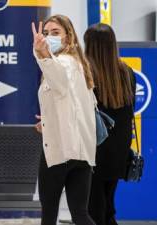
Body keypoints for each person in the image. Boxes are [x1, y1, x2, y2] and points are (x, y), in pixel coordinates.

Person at [32, 15, 96, 225]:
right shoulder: (79, 65)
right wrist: (48, 121)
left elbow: (58, 78)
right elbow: (71, 106)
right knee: (80, 213)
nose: (50, 37)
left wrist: (42, 54)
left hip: (60, 152)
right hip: (81, 152)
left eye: (56, 33)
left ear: (69, 38)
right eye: (47, 33)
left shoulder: (65, 63)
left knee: (49, 214)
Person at [84, 23, 136, 225]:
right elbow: (130, 108)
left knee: (93, 207)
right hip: (119, 148)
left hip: (93, 148)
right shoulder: (126, 72)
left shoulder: (86, 73)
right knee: (108, 205)